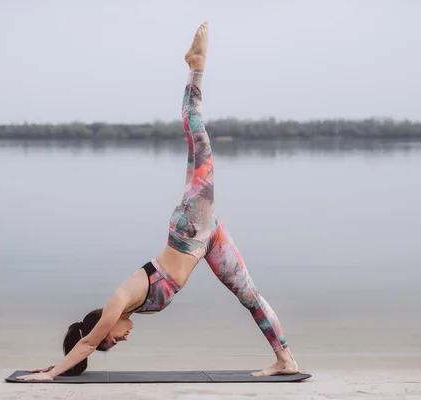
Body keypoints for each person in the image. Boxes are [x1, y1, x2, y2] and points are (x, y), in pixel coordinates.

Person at [17, 22, 299, 381]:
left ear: (105, 323)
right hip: (205, 241)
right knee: (250, 296)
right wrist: (56, 365)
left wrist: (49, 375)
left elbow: (88, 342)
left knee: (199, 142)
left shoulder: (119, 301)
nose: (121, 339)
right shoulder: (130, 308)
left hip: (190, 229)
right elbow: (85, 343)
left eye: (113, 340)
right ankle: (285, 359)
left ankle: (196, 67)